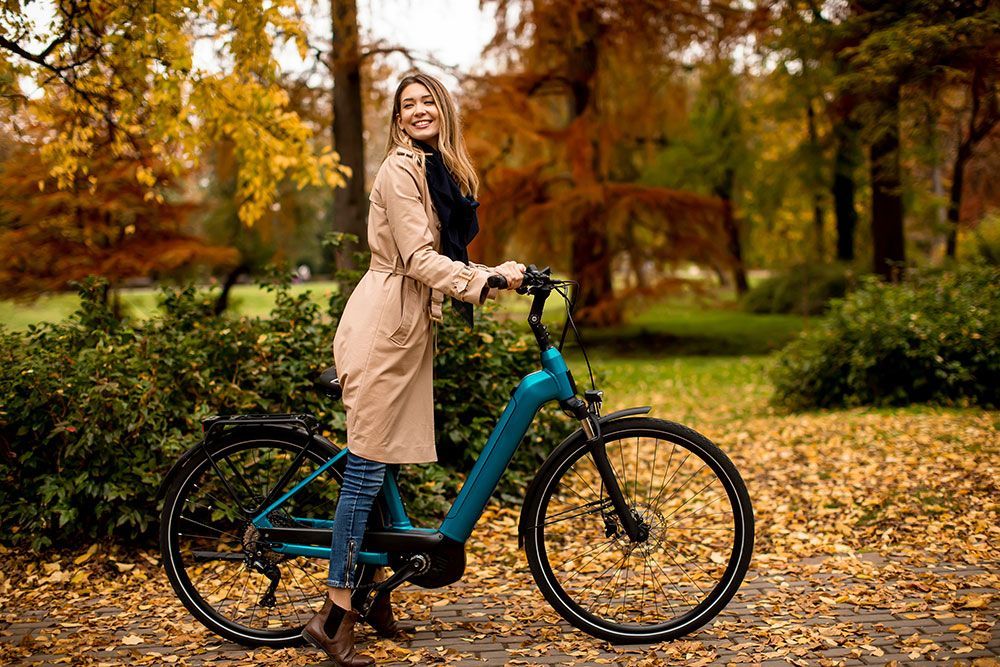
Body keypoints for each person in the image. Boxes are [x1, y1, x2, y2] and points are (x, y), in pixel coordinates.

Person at [300, 71, 526, 666]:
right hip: (383, 330)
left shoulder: (437, 168)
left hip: (404, 329)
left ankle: (373, 597)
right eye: (409, 105)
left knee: (378, 461)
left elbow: (443, 251)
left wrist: (491, 269)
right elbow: (421, 257)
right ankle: (334, 614)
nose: (420, 110)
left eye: (429, 101)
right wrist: (486, 278)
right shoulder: (400, 171)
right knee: (365, 469)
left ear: (443, 110)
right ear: (398, 120)